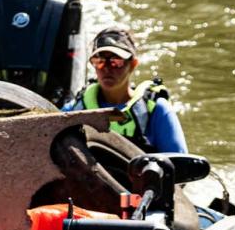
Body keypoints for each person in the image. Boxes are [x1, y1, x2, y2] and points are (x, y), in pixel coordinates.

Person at [66, 24, 187, 153]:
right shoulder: (75, 109)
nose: (107, 68)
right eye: (99, 61)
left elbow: (181, 164)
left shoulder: (157, 110)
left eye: (116, 61)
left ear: (133, 64)